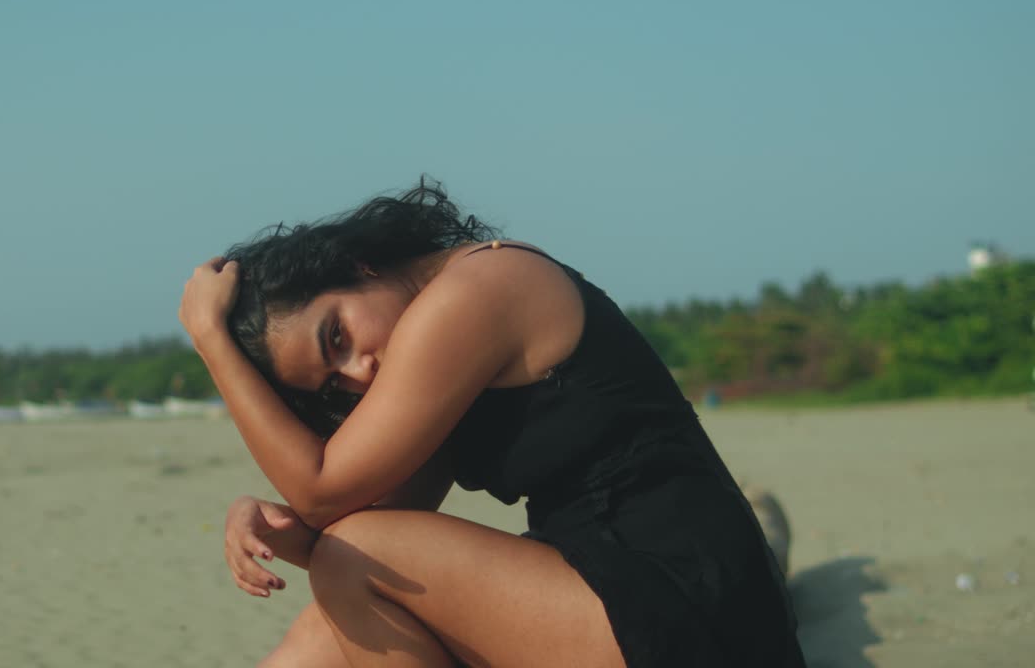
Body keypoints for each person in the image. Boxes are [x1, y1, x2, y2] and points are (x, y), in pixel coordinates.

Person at [179, 178, 805, 667]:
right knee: (320, 632)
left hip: (687, 600)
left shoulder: (480, 289)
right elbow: (353, 515)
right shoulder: (430, 354)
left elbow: (325, 491)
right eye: (333, 381)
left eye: (337, 335)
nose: (359, 371)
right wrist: (268, 523)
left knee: (353, 562)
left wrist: (213, 341)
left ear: (358, 266)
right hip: (611, 590)